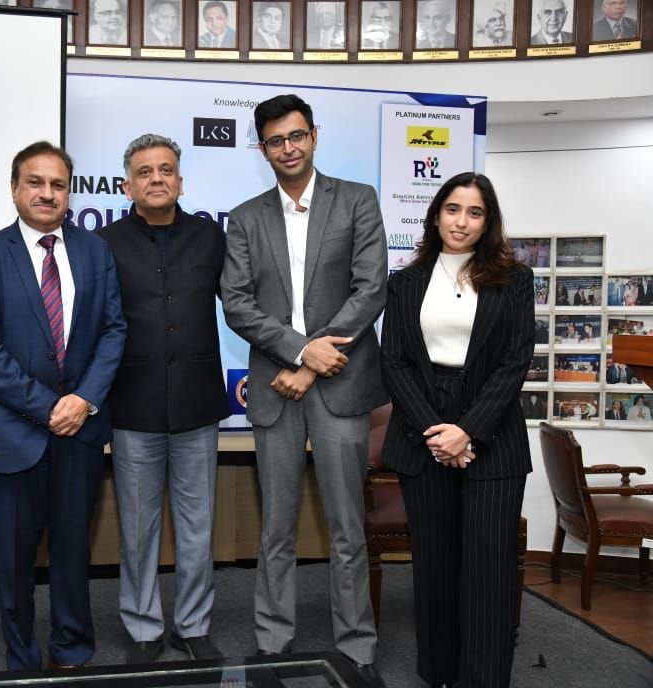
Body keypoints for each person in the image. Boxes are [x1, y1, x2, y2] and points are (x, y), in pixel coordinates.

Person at [221, 94, 388, 687]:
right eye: (275, 141)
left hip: (339, 384)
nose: (288, 148)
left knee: (347, 528)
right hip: (276, 386)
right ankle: (272, 643)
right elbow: (236, 302)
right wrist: (297, 350)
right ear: (262, 148)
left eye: (296, 136)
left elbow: (371, 289)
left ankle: (357, 645)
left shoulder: (357, 200)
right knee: (276, 528)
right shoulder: (245, 218)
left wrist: (313, 363)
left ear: (313, 136)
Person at [0, 141, 127, 672]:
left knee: (73, 550)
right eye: (35, 182)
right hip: (12, 432)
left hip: (80, 431)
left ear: (69, 192)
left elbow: (113, 330)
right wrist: (51, 407)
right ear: (14, 189)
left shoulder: (95, 251)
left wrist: (85, 400)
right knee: (14, 559)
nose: (47, 193)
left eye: (58, 184)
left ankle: (72, 649)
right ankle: (23, 658)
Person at [380, 172, 534, 688]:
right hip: (422, 432)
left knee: (489, 571)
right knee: (436, 568)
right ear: (435, 215)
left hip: (493, 434)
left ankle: (483, 678)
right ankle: (439, 673)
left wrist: (467, 432)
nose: (461, 221)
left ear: (488, 222)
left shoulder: (515, 280)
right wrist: (437, 433)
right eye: (452, 209)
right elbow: (393, 362)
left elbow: (515, 362)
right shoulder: (405, 282)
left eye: (474, 212)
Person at [96, 134, 230, 664]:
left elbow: (241, 304)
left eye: (166, 169)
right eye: (145, 171)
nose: (157, 179)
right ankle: (144, 626)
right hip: (133, 405)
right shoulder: (104, 242)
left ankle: (193, 625)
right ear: (127, 185)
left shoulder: (210, 236)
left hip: (198, 403)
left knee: (198, 528)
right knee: (137, 528)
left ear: (180, 180)